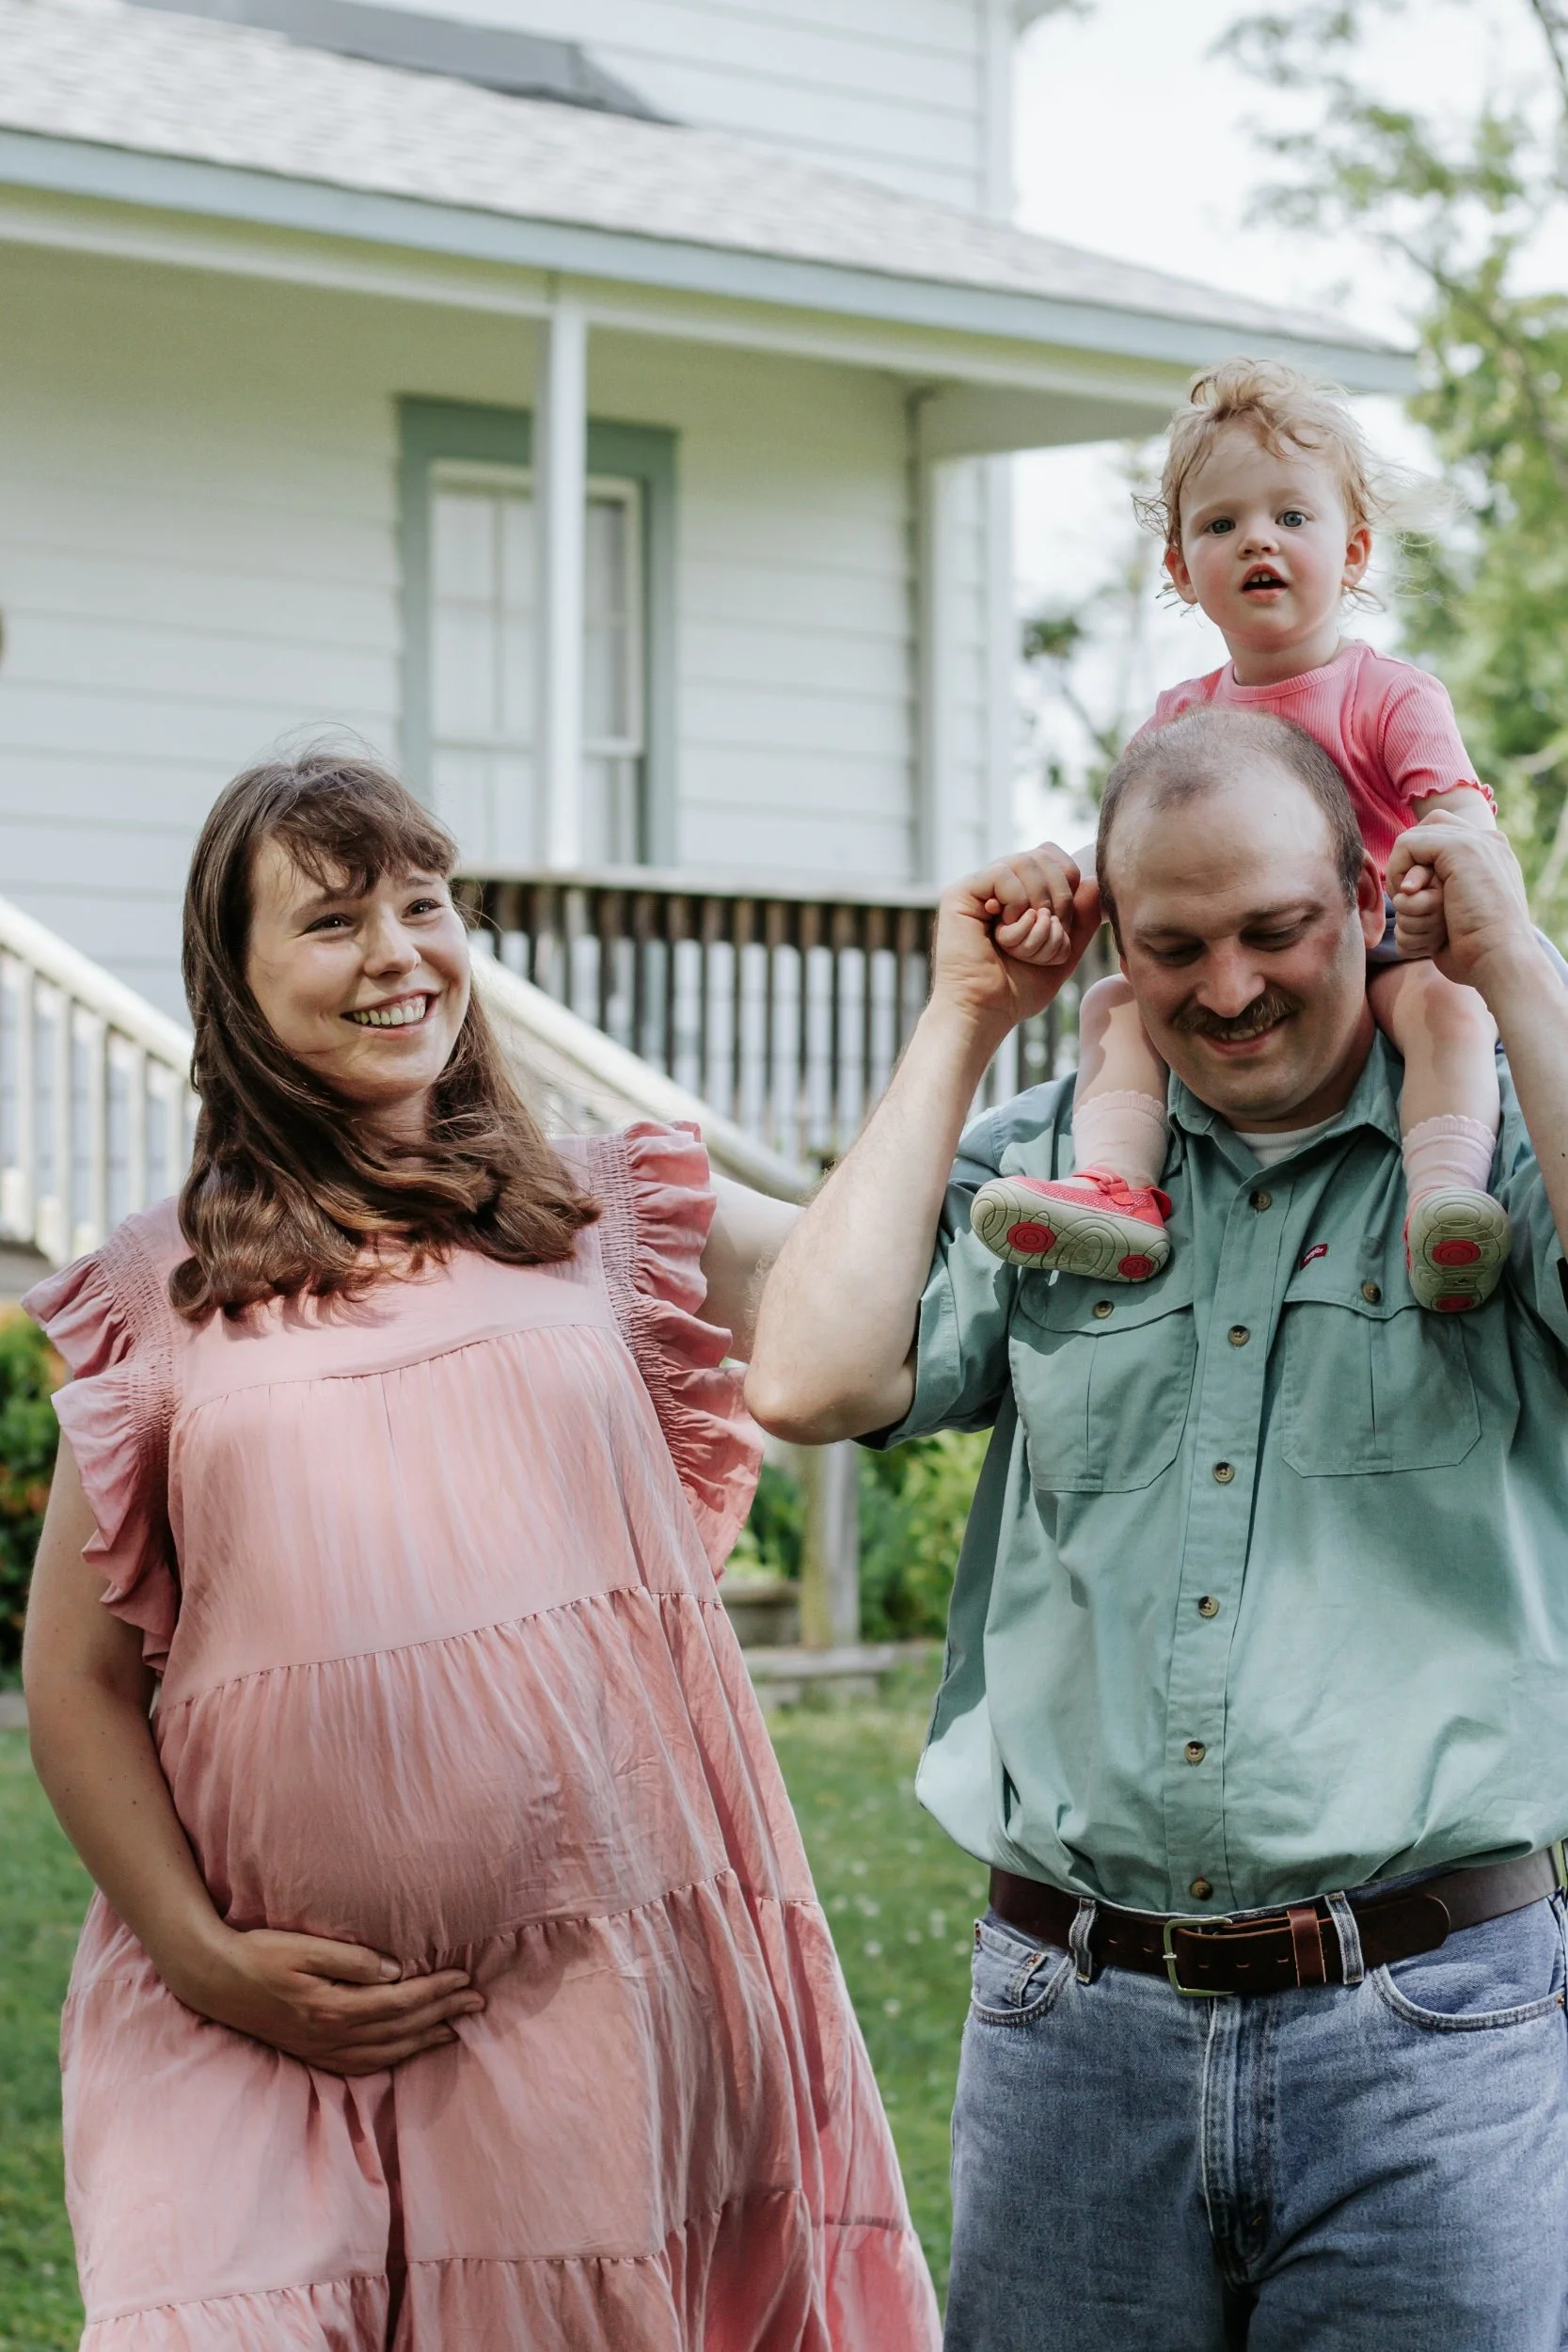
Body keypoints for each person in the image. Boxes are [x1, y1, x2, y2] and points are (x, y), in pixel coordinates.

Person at [20, 750, 940, 2351]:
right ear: (232, 983)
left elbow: (870, 1287)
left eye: (424, 905)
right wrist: (205, 1956)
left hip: (580, 2006)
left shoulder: (604, 1220)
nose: (399, 953)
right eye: (332, 919)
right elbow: (76, 1675)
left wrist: (971, 1021)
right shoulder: (160, 1297)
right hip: (257, 2030)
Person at [746, 705, 1568, 2351]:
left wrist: (1517, 966)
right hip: (1074, 2037)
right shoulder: (1058, 1169)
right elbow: (810, 1372)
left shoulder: (1494, 1163)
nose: (1231, 987)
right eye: (1175, 945)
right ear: (1117, 942)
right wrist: (964, 1018)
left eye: (1275, 930)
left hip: (1429, 2033)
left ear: (1359, 898)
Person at [974, 358, 1509, 1311]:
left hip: (1382, 948)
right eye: (1220, 524)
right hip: (1254, 949)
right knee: (1110, 1005)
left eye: (1290, 517)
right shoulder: (1180, 719)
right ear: (1181, 569)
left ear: (1351, 552)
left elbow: (1458, 814)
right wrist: (1052, 890)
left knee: (1448, 1010)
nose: (1255, 538)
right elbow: (1131, 859)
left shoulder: (1387, 695)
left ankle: (1443, 1200)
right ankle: (1117, 1190)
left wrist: (1441, 872)